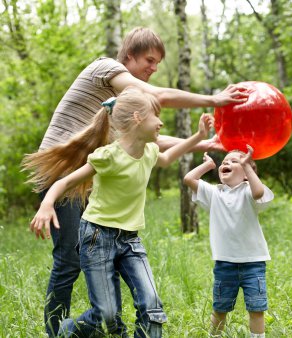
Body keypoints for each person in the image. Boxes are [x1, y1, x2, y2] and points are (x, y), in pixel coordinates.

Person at [33, 26, 248, 337]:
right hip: (60, 175)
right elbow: (157, 97)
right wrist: (213, 99)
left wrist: (199, 142)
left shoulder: (124, 109)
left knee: (90, 254)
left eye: (158, 62)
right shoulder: (104, 68)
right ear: (128, 56)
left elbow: (148, 139)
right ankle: (56, 331)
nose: (154, 68)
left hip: (84, 182)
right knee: (68, 259)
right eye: (149, 59)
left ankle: (110, 322)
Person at [26, 87, 214, 337]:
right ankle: (65, 331)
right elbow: (63, 183)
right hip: (96, 238)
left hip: (130, 240)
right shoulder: (108, 156)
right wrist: (47, 205)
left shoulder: (149, 151)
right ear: (137, 117)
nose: (160, 122)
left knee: (152, 308)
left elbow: (168, 158)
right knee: (106, 316)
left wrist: (199, 136)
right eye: (155, 116)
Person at [183, 146, 274, 338]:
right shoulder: (214, 193)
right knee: (220, 307)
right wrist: (207, 165)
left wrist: (247, 166)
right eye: (224, 162)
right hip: (225, 264)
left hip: (253, 263)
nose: (226, 163)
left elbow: (259, 193)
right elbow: (189, 179)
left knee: (256, 308)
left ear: (247, 174)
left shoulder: (249, 191)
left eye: (234, 162)